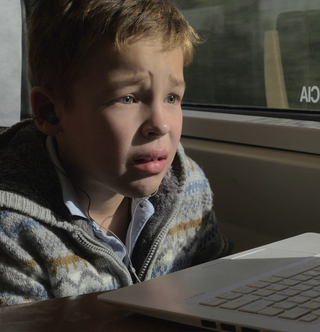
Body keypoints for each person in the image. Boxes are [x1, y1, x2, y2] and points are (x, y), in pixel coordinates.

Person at [0, 0, 231, 306]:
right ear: (50, 111)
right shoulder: (12, 233)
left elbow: (222, 287)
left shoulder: (188, 188)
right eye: (128, 99)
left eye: (172, 97)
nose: (160, 124)